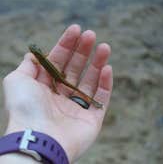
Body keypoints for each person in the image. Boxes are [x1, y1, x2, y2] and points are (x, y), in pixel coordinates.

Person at [0, 24, 113, 164]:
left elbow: (36, 61)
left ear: (36, 53)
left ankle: (88, 100)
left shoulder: (38, 59)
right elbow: (43, 57)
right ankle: (94, 102)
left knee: (60, 83)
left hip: (57, 78)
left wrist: (32, 62)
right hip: (59, 75)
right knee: (69, 84)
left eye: (33, 50)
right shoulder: (43, 57)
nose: (33, 51)